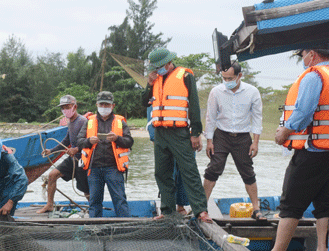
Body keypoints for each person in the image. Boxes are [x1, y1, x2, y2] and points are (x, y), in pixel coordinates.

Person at [247, 43, 329, 251]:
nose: (302, 59)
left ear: (311, 54)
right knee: (326, 203)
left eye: (302, 55)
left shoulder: (314, 75)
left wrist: (286, 130)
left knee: (291, 201)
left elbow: (304, 111)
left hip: (314, 149)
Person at [143, 47, 210, 222]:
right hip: (160, 133)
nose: (157, 70)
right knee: (162, 173)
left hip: (180, 132)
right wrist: (149, 84)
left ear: (168, 62)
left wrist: (195, 133)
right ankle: (167, 211)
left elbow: (194, 105)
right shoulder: (155, 79)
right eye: (155, 67)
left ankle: (201, 211)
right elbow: (144, 102)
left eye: (159, 66)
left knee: (189, 171)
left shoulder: (185, 76)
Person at [203, 61, 263, 220]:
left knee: (248, 172)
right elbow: (210, 117)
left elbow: (257, 118)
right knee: (213, 169)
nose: (227, 82)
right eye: (224, 78)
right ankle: (202, 207)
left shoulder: (252, 92)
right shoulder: (216, 92)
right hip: (221, 135)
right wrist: (209, 141)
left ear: (239, 76)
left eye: (230, 78)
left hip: (243, 137)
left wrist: (255, 142)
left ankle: (256, 209)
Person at [77, 91, 133, 218]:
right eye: (102, 104)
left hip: (113, 168)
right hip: (94, 168)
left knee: (119, 199)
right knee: (94, 201)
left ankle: (125, 225)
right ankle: (95, 228)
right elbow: (79, 142)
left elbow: (130, 141)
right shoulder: (88, 121)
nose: (104, 107)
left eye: (107, 105)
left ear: (113, 106)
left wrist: (117, 138)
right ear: (97, 104)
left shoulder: (120, 122)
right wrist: (89, 141)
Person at [37, 95, 89, 213]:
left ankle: (95, 209)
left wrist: (77, 149)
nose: (65, 110)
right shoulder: (70, 121)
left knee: (86, 190)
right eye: (63, 108)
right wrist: (52, 150)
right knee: (52, 175)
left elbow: (88, 140)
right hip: (72, 159)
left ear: (74, 107)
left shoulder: (83, 121)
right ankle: (50, 204)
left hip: (83, 160)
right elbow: (66, 140)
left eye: (67, 107)